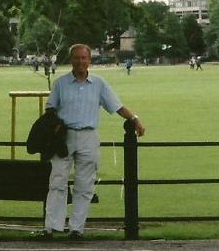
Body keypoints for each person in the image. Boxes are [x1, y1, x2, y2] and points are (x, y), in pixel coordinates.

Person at [41, 43, 145, 240]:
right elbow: (50, 111)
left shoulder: (99, 84)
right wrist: (54, 131)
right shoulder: (60, 84)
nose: (80, 61)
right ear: (71, 60)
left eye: (84, 58)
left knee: (84, 185)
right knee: (57, 181)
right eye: (76, 58)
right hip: (63, 137)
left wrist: (134, 119)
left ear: (89, 60)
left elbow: (117, 106)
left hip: (88, 137)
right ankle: (51, 227)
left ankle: (76, 229)